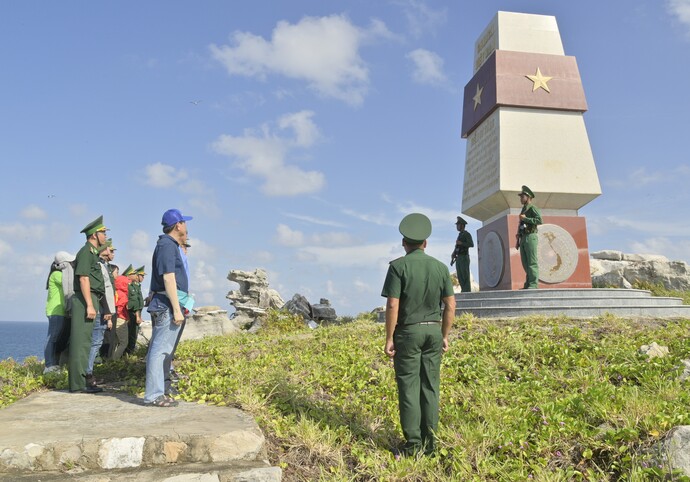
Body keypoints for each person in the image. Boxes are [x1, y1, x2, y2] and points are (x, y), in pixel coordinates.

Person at [381, 213, 456, 457]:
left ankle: (413, 446)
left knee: (409, 388)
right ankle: (431, 444)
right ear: (426, 243)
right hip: (434, 330)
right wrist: (444, 335)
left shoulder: (398, 267)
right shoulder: (440, 267)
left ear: (404, 242)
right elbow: (451, 305)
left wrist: (389, 337)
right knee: (430, 386)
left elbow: (393, 304)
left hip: (408, 332)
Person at [144, 208, 193, 407]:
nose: (187, 226)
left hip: (167, 303)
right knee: (159, 350)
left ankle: (158, 392)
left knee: (163, 350)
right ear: (178, 224)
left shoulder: (168, 245)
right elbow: (168, 277)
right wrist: (176, 309)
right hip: (167, 305)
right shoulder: (167, 245)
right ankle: (154, 395)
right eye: (185, 222)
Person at [68, 215, 107, 393]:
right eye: (103, 233)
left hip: (91, 299)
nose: (105, 236)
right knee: (81, 343)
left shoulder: (92, 253)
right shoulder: (86, 252)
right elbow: (83, 278)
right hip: (86, 300)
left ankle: (83, 381)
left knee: (87, 342)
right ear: (94, 235)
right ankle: (78, 384)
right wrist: (90, 305)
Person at [85, 240, 115, 389]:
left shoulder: (103, 265)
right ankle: (88, 374)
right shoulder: (98, 264)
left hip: (103, 308)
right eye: (110, 249)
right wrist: (107, 310)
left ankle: (90, 373)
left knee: (97, 341)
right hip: (101, 309)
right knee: (96, 342)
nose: (111, 252)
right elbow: (101, 290)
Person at [44, 251, 75, 373]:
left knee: (56, 338)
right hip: (55, 311)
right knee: (52, 338)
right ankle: (49, 364)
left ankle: (53, 363)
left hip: (59, 311)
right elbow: (70, 282)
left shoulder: (57, 274)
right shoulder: (57, 274)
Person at [515, 185, 543, 289]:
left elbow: (539, 220)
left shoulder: (533, 208)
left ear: (528, 197)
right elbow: (521, 224)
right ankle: (528, 284)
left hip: (531, 236)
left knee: (532, 262)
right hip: (523, 237)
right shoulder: (523, 209)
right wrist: (518, 237)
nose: (521, 199)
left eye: (522, 196)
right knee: (525, 263)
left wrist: (526, 219)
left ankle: (533, 284)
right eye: (521, 197)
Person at [111, 264, 134, 359]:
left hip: (118, 318)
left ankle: (111, 359)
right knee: (124, 342)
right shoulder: (122, 295)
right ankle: (114, 360)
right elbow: (121, 308)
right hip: (120, 319)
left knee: (116, 341)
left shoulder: (117, 293)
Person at [124, 265, 144, 356]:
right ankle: (126, 353)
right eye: (141, 275)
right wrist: (137, 315)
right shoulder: (129, 286)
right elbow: (132, 302)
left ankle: (130, 352)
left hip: (136, 313)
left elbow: (138, 303)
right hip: (130, 313)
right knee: (129, 335)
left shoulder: (137, 286)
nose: (140, 277)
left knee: (133, 335)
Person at [450, 216, 474, 293]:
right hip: (459, 257)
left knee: (465, 275)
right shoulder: (460, 235)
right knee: (460, 276)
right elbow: (457, 247)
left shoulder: (467, 234)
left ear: (462, 225)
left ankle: (467, 291)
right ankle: (464, 290)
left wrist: (462, 243)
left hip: (464, 257)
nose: (457, 226)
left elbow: (471, 244)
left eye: (458, 225)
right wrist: (453, 253)